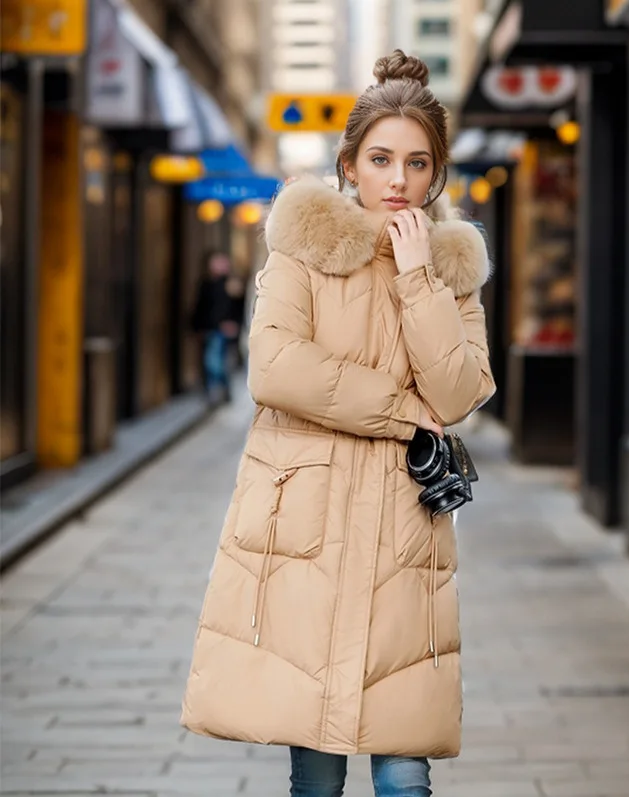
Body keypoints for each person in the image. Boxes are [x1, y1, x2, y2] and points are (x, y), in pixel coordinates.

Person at [181, 50, 496, 796]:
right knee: (316, 774)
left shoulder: (451, 270)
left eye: (417, 163)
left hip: (402, 536)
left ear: (436, 174)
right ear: (348, 165)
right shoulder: (305, 247)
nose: (398, 179)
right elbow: (275, 368)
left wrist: (418, 278)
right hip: (305, 533)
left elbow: (455, 394)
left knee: (402, 774)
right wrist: (396, 411)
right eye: (381, 159)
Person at [191, 250, 241, 403]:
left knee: (216, 361)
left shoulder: (232, 284)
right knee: (212, 361)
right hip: (209, 328)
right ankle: (216, 390)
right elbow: (199, 307)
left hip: (224, 329)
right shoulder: (205, 283)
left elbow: (237, 307)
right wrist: (196, 327)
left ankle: (219, 390)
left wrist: (235, 324)